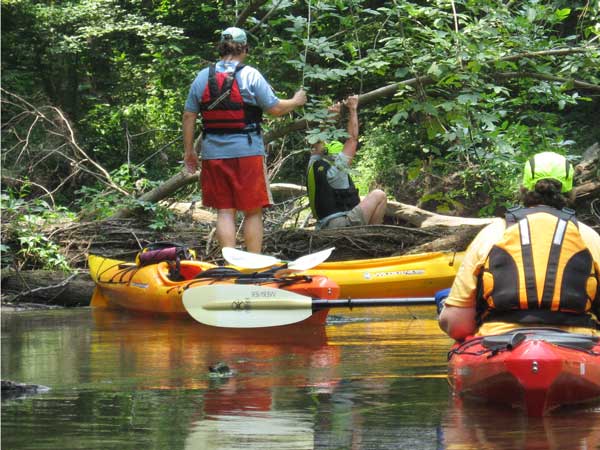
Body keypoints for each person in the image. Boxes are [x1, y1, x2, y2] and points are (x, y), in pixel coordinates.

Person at [439, 151, 600, 340]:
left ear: (524, 188)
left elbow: (457, 325)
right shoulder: (589, 237)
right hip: (578, 343)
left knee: (446, 308)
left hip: (499, 342)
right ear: (570, 191)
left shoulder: (492, 234)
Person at [183, 27, 307, 253]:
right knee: (252, 211)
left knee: (224, 211)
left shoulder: (202, 77)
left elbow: (189, 115)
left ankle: (230, 265)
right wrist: (296, 101)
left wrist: (189, 151)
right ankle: (254, 265)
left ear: (221, 48)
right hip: (247, 152)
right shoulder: (250, 74)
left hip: (213, 153)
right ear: (245, 48)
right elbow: (275, 108)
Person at [306, 95, 387, 230]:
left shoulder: (313, 165)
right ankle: (371, 235)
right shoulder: (337, 170)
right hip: (341, 225)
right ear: (337, 157)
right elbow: (352, 139)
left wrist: (329, 118)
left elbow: (317, 143)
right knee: (379, 195)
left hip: (322, 226)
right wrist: (353, 108)